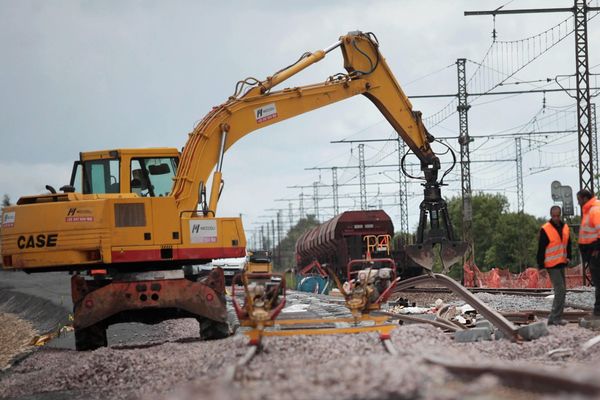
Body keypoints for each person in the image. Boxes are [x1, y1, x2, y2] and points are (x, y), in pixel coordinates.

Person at [537, 205, 571, 325]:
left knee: (562, 291)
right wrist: (541, 266)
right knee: (560, 291)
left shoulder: (565, 227)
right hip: (551, 265)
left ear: (560, 215)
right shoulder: (546, 229)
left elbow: (568, 243)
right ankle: (555, 318)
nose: (556, 218)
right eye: (554, 216)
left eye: (558, 215)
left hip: (561, 263)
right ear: (551, 215)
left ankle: (555, 318)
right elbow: (541, 248)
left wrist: (569, 257)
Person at [577, 189, 600, 319]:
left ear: (585, 198)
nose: (578, 202)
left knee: (599, 283)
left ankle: (598, 312)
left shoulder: (594, 210)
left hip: (596, 254)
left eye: (579, 199)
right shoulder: (590, 209)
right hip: (593, 253)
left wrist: (597, 249)